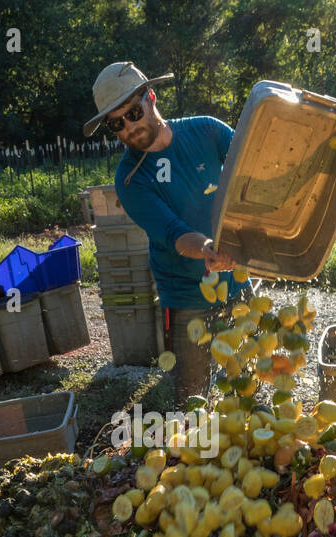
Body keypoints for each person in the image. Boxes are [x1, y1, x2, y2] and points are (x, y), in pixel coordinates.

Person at [83, 61, 249, 403]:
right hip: (186, 295)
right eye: (116, 124)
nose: (129, 127)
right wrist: (209, 249)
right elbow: (173, 234)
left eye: (133, 112)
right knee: (192, 397)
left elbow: (251, 173)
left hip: (239, 281)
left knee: (247, 379)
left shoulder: (207, 130)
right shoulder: (130, 179)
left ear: (152, 98)